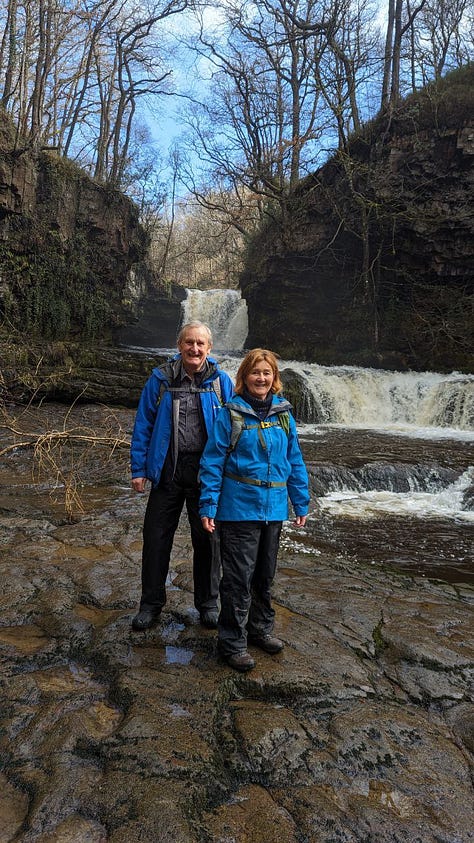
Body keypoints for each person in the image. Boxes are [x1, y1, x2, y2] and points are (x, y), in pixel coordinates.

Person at [199, 348, 310, 671]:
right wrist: (208, 504)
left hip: (274, 510)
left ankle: (259, 630)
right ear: (244, 377)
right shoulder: (230, 414)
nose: (261, 379)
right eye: (255, 373)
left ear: (274, 379)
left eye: (267, 374)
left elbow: (295, 460)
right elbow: (212, 461)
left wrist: (300, 501)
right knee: (237, 579)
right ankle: (231, 643)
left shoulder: (284, 415)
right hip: (237, 510)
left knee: (264, 575)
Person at [130, 321, 234, 632]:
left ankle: (208, 604)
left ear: (209, 349)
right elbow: (143, 424)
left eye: (201, 344)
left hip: (206, 475)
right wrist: (139, 469)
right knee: (156, 538)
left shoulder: (221, 382)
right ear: (179, 346)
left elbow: (233, 427)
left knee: (208, 540)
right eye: (189, 343)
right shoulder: (160, 379)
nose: (195, 349)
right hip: (167, 470)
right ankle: (150, 604)